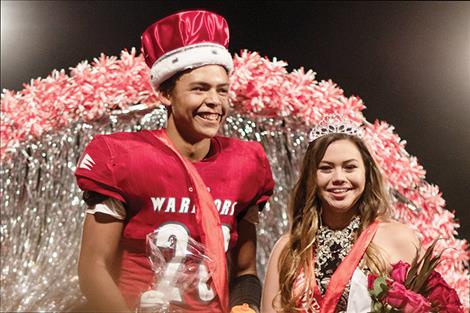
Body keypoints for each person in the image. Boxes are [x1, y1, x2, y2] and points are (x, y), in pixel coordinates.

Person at [75, 10, 274, 313]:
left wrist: (244, 306)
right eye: (199, 88)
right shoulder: (121, 156)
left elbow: (244, 271)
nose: (215, 101)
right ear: (167, 94)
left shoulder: (246, 162)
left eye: (222, 90)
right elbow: (94, 269)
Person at [261, 115, 421, 313]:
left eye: (350, 167)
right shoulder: (288, 248)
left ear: (366, 173)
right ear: (311, 176)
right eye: (326, 168)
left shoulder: (399, 239)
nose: (339, 178)